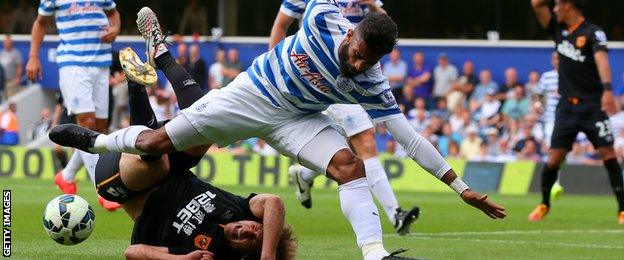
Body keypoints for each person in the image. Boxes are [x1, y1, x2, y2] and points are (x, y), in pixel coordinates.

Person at [51, 5, 506, 259]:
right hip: (251, 94)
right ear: (350, 34)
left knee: (351, 166)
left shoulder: (371, 80)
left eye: (370, 61)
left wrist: (460, 187)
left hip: (296, 120)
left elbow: (408, 138)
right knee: (155, 143)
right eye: (359, 53)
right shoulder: (325, 16)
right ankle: (97, 141)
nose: (360, 65)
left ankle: (375, 254)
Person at [90, 48, 295, 259]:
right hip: (156, 150)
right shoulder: (241, 210)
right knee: (206, 126)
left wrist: (182, 259)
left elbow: (132, 252)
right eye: (256, 228)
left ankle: (132, 90)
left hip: (121, 181)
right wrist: (267, 255)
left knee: (157, 165)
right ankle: (162, 54)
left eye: (251, 240)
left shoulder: (211, 254)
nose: (248, 230)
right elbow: (274, 202)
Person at [268, 0, 420, 236]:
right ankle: (395, 213)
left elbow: (385, 24)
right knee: (366, 143)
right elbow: (281, 25)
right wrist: (275, 66)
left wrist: (371, 5)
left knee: (349, 148)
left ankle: (304, 174)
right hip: (326, 73)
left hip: (358, 75)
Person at [530, 0, 624, 224]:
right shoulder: (558, 31)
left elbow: (602, 61)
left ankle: (622, 209)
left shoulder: (593, 33)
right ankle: (544, 204)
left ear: (568, 7)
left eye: (557, 6)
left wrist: (608, 91)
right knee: (554, 158)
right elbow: (536, 4)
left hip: (592, 106)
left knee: (608, 154)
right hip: (567, 108)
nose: (553, 10)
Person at [27, 0, 121, 211]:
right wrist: (33, 56)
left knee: (99, 130)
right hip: (73, 64)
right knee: (86, 123)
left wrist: (115, 29)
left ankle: (67, 175)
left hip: (101, 64)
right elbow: (40, 22)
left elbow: (113, 13)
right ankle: (103, 188)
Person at [0, 35, 23, 99]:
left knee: (10, 99)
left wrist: (18, 78)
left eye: (8, 42)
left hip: (11, 81)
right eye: (6, 42)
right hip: (2, 81)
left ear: (11, 43)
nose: (7, 44)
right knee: (2, 99)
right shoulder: (2, 53)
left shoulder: (16, 53)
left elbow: (19, 66)